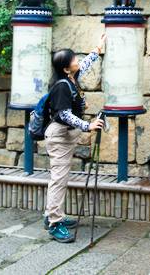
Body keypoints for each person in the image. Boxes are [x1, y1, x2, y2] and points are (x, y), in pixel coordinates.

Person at [45, 36, 105, 243]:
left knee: (60, 178)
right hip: (59, 135)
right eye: (73, 59)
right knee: (59, 180)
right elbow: (64, 114)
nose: (76, 60)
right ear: (65, 68)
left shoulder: (71, 78)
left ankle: (52, 216)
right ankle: (54, 223)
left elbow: (85, 66)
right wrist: (87, 125)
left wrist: (97, 49)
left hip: (65, 135)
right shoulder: (62, 86)